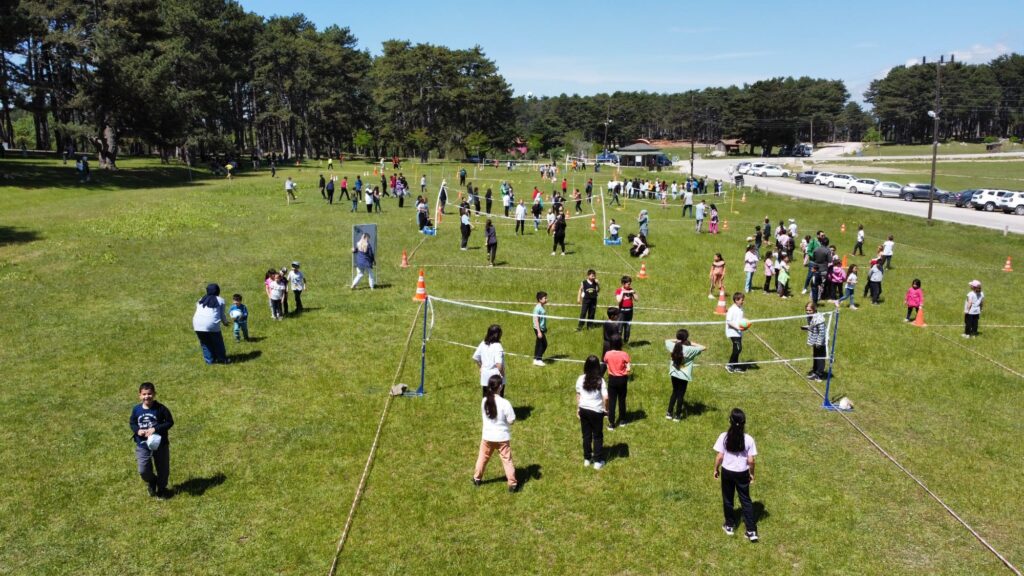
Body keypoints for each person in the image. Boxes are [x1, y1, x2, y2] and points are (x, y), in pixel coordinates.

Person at [713, 408, 759, 542]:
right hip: (742, 473)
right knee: (745, 500)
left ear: (730, 421)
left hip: (727, 472)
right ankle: (751, 531)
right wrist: (752, 474)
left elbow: (720, 456)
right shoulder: (749, 439)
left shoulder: (724, 437)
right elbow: (751, 460)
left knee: (728, 498)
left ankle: (729, 525)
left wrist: (716, 469)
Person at [472, 375, 518, 493]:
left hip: (487, 436)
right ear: (500, 387)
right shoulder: (505, 403)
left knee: (482, 458)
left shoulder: (484, 401)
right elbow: (511, 420)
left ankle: (477, 478)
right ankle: (512, 484)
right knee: (507, 460)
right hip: (502, 437)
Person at [130, 382, 174, 499]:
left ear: (154, 394)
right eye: (144, 394)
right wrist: (137, 430)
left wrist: (155, 428)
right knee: (143, 469)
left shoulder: (160, 409)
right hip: (142, 444)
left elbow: (170, 422)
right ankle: (152, 481)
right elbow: (132, 422)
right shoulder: (136, 410)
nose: (147, 396)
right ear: (139, 395)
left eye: (149, 394)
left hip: (160, 444)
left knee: (163, 469)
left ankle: (162, 489)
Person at [665, 329, 706, 421]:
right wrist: (692, 343)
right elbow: (704, 347)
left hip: (674, 374)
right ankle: (678, 415)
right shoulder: (690, 349)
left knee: (674, 392)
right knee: (681, 395)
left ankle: (669, 413)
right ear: (686, 338)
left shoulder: (672, 346)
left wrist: (677, 340)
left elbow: (666, 340)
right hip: (684, 376)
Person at [576, 355, 609, 469]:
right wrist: (606, 410)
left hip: (584, 409)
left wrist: (578, 409)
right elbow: (605, 398)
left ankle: (587, 458)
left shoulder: (581, 378)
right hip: (596, 411)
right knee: (597, 436)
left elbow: (578, 395)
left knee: (586, 435)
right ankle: (598, 461)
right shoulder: (601, 380)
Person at [192, 283, 229, 364]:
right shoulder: (220, 300)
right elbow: (222, 315)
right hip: (211, 324)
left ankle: (209, 361)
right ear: (218, 291)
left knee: (205, 343)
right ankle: (222, 359)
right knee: (218, 342)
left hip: (197, 324)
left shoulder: (200, 299)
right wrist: (226, 323)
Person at [603, 334, 631, 430]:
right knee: (622, 400)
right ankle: (622, 420)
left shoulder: (607, 354)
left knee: (612, 401)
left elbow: (606, 363)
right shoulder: (624, 354)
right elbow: (628, 368)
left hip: (612, 379)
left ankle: (611, 423)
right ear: (621, 343)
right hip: (622, 379)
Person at [472, 324, 505, 396]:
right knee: (498, 400)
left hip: (485, 377)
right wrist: (502, 375)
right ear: (497, 335)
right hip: (496, 378)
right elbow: (498, 364)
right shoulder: (498, 346)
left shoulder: (483, 343)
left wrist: (480, 367)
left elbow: (475, 357)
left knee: (486, 400)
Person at [801, 302, 828, 381]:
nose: (808, 312)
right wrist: (806, 328)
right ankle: (815, 371)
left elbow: (822, 332)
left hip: (820, 342)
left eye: (810, 310)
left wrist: (819, 343)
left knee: (820, 358)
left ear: (814, 309)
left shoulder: (819, 319)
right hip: (815, 341)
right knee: (815, 356)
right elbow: (812, 326)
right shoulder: (810, 316)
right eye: (807, 310)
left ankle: (819, 374)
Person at [725, 293, 747, 373]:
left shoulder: (741, 308)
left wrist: (745, 325)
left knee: (737, 349)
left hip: (739, 332)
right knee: (738, 348)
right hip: (732, 332)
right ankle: (729, 365)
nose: (743, 301)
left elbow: (741, 320)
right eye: (742, 300)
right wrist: (737, 327)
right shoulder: (732, 309)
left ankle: (735, 365)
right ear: (736, 300)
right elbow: (729, 322)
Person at [615, 276, 637, 344]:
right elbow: (618, 300)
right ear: (623, 284)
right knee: (619, 328)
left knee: (627, 328)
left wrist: (633, 293)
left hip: (630, 311)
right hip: (622, 312)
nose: (629, 285)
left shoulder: (631, 290)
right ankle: (618, 343)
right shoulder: (619, 290)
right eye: (628, 284)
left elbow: (637, 299)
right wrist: (623, 293)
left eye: (630, 284)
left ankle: (626, 342)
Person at [532, 291, 548, 366]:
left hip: (541, 329)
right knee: (544, 344)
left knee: (538, 344)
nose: (546, 299)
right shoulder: (537, 308)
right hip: (538, 329)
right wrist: (539, 332)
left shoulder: (541, 306)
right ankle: (539, 359)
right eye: (545, 298)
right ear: (540, 299)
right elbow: (536, 320)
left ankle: (535, 359)